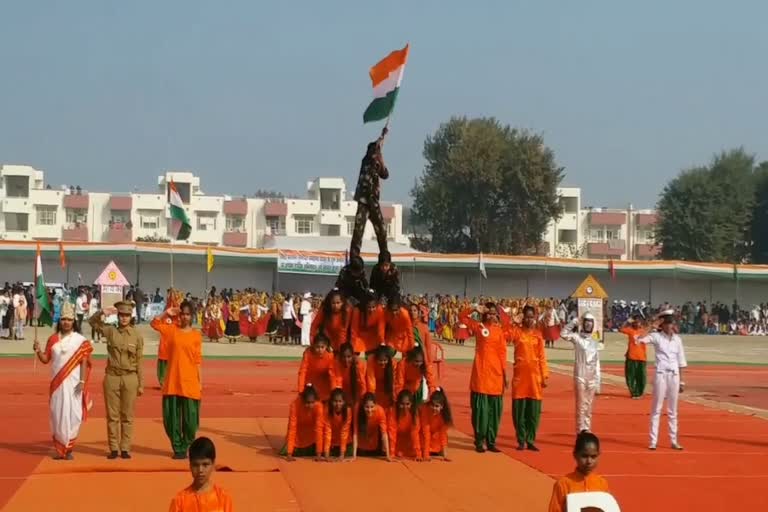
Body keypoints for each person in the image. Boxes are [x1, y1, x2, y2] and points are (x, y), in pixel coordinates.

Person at [33, 302, 93, 460]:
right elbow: (46, 359)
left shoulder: (80, 340)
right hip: (57, 384)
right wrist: (38, 351)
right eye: (63, 319)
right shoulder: (53, 339)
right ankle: (60, 448)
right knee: (58, 414)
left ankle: (69, 447)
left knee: (74, 414)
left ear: (74, 321)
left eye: (69, 319)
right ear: (59, 321)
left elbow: (84, 362)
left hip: (74, 384)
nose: (66, 322)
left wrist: (82, 381)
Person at [91, 301, 144, 459]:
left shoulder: (137, 336)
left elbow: (140, 361)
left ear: (131, 316)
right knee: (112, 415)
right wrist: (102, 311)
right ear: (118, 315)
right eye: (121, 315)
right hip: (112, 377)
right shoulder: (110, 331)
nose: (124, 318)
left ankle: (125, 448)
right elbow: (92, 323)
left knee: (127, 416)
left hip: (130, 377)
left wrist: (141, 384)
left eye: (127, 315)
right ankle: (114, 448)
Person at [153, 302, 203, 459]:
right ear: (179, 315)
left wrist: (200, 382)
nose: (185, 317)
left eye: (188, 314)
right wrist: (167, 312)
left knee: (191, 421)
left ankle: (186, 445)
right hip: (173, 382)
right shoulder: (171, 331)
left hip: (190, 382)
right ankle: (177, 448)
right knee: (171, 418)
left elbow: (197, 361)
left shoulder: (196, 335)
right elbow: (154, 323)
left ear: (192, 316)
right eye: (183, 314)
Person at [461, 303, 511, 453]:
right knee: (480, 411)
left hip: (496, 376)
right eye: (488, 313)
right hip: (481, 375)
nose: (491, 316)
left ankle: (491, 441)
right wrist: (474, 308)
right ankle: (479, 440)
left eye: (494, 313)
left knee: (494, 412)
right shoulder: (478, 327)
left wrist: (505, 374)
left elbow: (502, 353)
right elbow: (462, 317)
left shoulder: (500, 331)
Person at [636, 310, 687, 450]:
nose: (671, 326)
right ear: (662, 325)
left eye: (672, 323)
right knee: (656, 409)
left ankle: (674, 440)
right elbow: (639, 339)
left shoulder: (677, 340)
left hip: (674, 375)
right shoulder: (656, 337)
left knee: (673, 410)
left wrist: (682, 381)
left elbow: (681, 362)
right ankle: (653, 441)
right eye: (668, 323)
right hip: (661, 374)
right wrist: (652, 325)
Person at [510, 305, 549, 451]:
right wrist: (513, 321)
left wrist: (544, 375)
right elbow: (505, 333)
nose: (529, 319)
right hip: (520, 378)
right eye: (527, 316)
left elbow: (542, 357)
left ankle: (531, 439)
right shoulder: (517, 332)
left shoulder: (538, 335)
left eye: (531, 317)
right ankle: (521, 439)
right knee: (519, 413)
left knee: (533, 413)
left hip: (535, 379)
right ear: (523, 317)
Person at [349, 126, 390, 259]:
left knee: (381, 230)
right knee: (359, 232)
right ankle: (355, 258)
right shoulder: (368, 160)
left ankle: (384, 256)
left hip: (371, 200)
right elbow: (377, 146)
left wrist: (383, 135)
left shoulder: (375, 161)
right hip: (365, 200)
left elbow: (385, 174)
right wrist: (381, 139)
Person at [548, 432, 610, 512]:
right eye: (584, 456)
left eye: (593, 456)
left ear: (598, 455)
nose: (589, 461)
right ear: (575, 455)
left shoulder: (602, 484)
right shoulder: (563, 484)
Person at [560, 313, 602, 433]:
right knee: (580, 405)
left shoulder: (595, 342)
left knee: (588, 406)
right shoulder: (576, 338)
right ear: (583, 323)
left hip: (592, 377)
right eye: (586, 321)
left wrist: (598, 381)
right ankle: (580, 430)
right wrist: (573, 322)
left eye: (591, 321)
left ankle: (587, 429)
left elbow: (597, 362)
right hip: (580, 376)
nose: (589, 323)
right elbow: (563, 334)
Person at [168, 436, 234, 512]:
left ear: (213, 464)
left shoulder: (223, 497)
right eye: (195, 465)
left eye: (205, 464)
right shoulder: (179, 501)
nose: (200, 470)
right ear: (190, 466)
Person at [282, 384, 324, 461]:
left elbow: (319, 430)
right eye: (308, 402)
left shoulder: (319, 406)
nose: (310, 405)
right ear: (303, 400)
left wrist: (319, 454)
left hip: (312, 435)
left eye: (312, 402)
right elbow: (292, 429)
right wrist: (289, 454)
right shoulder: (295, 405)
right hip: (298, 435)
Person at [352, 392, 391, 460]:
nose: (369, 410)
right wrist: (354, 456)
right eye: (367, 407)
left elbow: (384, 433)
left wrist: (388, 455)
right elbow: (355, 432)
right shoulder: (357, 408)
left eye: (372, 407)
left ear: (376, 405)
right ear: (363, 405)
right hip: (360, 448)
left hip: (374, 446)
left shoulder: (380, 411)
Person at [297, 334, 335, 402]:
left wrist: (334, 390)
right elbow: (302, 372)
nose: (320, 350)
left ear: (326, 346)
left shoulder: (330, 356)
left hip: (324, 386)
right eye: (317, 347)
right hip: (310, 384)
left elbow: (332, 375)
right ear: (313, 346)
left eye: (322, 347)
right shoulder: (308, 354)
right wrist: (301, 390)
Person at [419, 387, 452, 462]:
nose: (434, 408)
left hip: (435, 437)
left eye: (437, 406)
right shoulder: (425, 409)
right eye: (432, 405)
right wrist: (426, 455)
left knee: (439, 446)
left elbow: (443, 435)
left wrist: (445, 455)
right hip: (423, 434)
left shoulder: (445, 416)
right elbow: (425, 432)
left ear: (442, 406)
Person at [388, 389, 422, 460]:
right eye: (402, 404)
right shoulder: (392, 411)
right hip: (396, 443)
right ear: (398, 403)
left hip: (410, 444)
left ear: (411, 403)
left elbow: (415, 434)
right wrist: (391, 453)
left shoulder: (414, 413)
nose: (405, 407)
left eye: (407, 404)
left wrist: (418, 454)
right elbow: (392, 433)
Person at [620, 315, 648, 399]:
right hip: (631, 357)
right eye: (635, 322)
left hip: (642, 357)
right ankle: (633, 392)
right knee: (630, 376)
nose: (637, 323)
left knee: (642, 376)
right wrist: (628, 321)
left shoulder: (643, 331)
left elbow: (650, 328)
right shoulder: (630, 330)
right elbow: (621, 329)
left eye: (638, 322)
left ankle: (640, 392)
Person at [350, 291, 386, 356]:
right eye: (369, 307)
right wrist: (352, 346)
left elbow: (381, 328)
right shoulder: (357, 310)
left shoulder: (379, 309)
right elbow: (354, 330)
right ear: (364, 305)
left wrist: (382, 342)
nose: (371, 309)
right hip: (360, 338)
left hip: (373, 337)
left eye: (373, 307)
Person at [322, 388, 352, 461]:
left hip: (346, 444)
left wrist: (342, 454)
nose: (338, 404)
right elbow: (327, 431)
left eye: (340, 401)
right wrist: (326, 454)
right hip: (331, 444)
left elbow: (344, 432)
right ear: (331, 401)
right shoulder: (327, 410)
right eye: (335, 401)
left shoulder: (348, 411)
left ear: (344, 402)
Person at [365, 344, 396, 410]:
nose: (382, 362)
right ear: (376, 359)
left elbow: (394, 381)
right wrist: (371, 398)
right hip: (375, 389)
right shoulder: (371, 359)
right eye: (380, 360)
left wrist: (394, 397)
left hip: (386, 389)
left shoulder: (393, 362)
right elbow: (371, 379)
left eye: (385, 360)